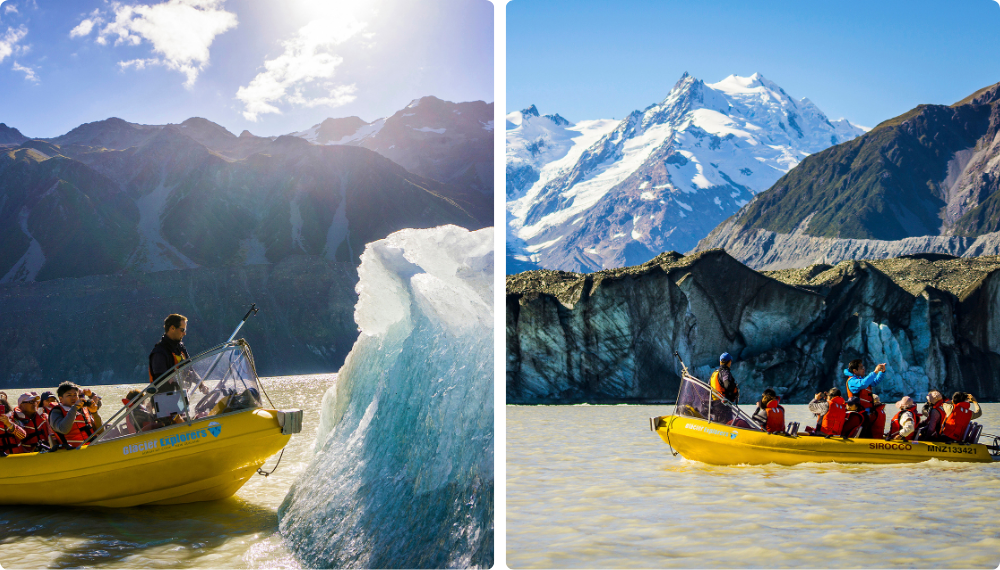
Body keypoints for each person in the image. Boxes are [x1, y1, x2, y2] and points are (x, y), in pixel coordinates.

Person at [48, 382, 102, 449]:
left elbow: (100, 431)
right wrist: (74, 408)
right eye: (69, 395)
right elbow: (63, 429)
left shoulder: (82, 409)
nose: (73, 398)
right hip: (71, 451)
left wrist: (94, 413)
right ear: (60, 399)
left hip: (90, 447)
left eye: (75, 395)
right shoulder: (56, 412)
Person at [149, 314, 192, 391]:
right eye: (182, 330)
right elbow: (161, 381)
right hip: (164, 399)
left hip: (182, 396)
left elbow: (190, 369)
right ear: (172, 328)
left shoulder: (181, 347)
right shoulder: (159, 352)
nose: (184, 333)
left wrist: (201, 384)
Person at [709, 352, 740, 425]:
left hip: (715, 404)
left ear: (720, 362)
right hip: (724, 405)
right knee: (727, 425)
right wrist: (734, 387)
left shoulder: (714, 373)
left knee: (718, 425)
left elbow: (708, 388)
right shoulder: (725, 372)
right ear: (729, 362)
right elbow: (727, 385)